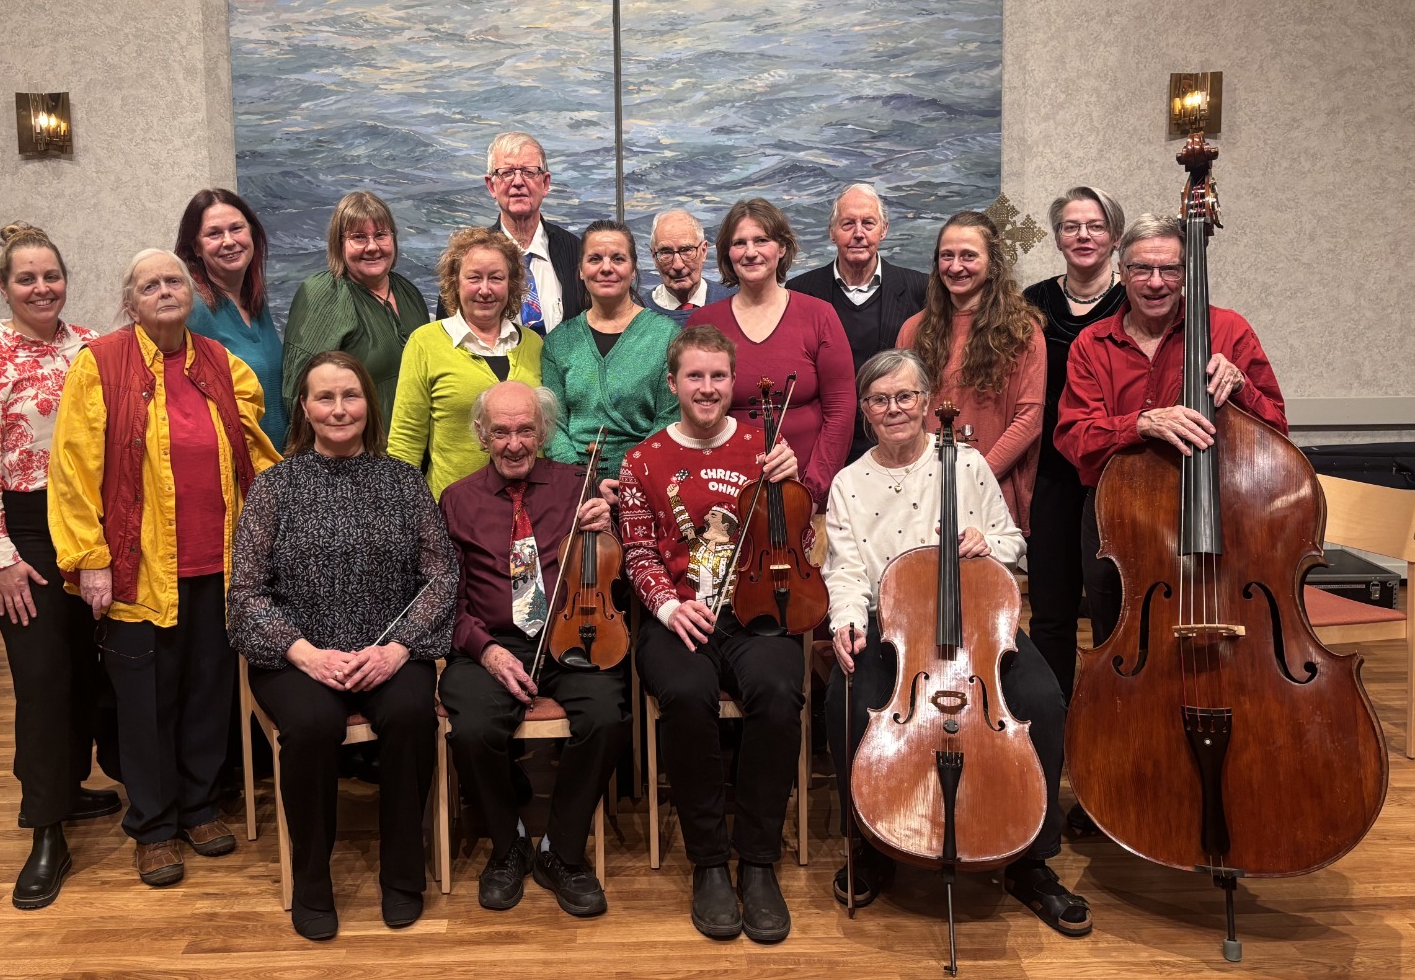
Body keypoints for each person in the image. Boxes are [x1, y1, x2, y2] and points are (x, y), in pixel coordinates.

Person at [822, 348, 1087, 936]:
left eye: (906, 397)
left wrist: (983, 544)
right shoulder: (849, 483)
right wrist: (846, 619)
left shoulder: (966, 465)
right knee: (841, 707)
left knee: (1043, 702)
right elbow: (843, 569)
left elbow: (1013, 542)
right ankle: (870, 844)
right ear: (866, 411)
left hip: (978, 625)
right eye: (880, 400)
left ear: (925, 404)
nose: (895, 409)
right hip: (890, 629)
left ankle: (1031, 860)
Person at [48, 249, 279, 888]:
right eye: (150, 285)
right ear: (131, 302)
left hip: (218, 563)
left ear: (190, 292)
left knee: (208, 690)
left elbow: (255, 454)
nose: (164, 291)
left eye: (173, 280)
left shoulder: (221, 363)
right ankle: (152, 827)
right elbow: (70, 471)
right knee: (145, 700)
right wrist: (89, 560)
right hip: (135, 568)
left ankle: (200, 807)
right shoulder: (100, 365)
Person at [229, 351, 457, 940]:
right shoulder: (274, 487)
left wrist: (399, 648)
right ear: (304, 408)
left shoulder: (404, 483)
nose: (338, 408)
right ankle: (312, 881)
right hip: (296, 658)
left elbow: (441, 577)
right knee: (309, 729)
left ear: (368, 405)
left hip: (389, 651)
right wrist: (305, 653)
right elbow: (246, 594)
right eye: (324, 397)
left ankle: (403, 876)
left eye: (350, 395)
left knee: (410, 715)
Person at [0, 223, 114, 910]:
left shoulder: (88, 347)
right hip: (20, 533)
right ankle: (45, 829)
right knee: (42, 680)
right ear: (4, 287)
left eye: (51, 275)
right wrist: (3, 560)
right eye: (27, 279)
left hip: (83, 524)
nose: (41, 288)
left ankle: (70, 788)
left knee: (82, 665)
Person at [619, 324, 804, 944]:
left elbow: (797, 544)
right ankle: (708, 864)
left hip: (753, 614)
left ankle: (757, 861)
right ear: (672, 383)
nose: (707, 388)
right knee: (687, 696)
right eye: (694, 376)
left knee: (779, 691)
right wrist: (670, 608)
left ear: (734, 383)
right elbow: (639, 553)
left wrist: (790, 485)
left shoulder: (764, 449)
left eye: (718, 376)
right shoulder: (643, 459)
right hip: (677, 621)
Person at [438, 382, 629, 918]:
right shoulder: (456, 500)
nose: (514, 443)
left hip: (571, 632)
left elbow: (605, 563)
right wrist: (486, 651)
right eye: (501, 431)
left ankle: (560, 851)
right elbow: (444, 600)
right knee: (472, 728)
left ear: (543, 432)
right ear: (482, 435)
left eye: (525, 430)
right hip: (492, 643)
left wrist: (605, 528)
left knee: (607, 717)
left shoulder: (577, 483)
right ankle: (508, 843)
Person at [1055, 212, 1287, 646]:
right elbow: (1075, 439)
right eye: (1142, 268)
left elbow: (1277, 431)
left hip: (1219, 514)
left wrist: (1242, 388)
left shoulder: (1228, 329)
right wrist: (1141, 423)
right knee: (1118, 640)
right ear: (1121, 273)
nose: (1156, 282)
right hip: (1119, 518)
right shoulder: (1092, 344)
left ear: (1188, 274)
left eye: (1170, 269)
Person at [1021, 187, 1128, 701]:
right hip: (1051, 473)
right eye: (1071, 226)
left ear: (1115, 236)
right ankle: (1052, 720)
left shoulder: (1140, 299)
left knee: (1118, 606)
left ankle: (1114, 716)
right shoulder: (1032, 304)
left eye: (1095, 225)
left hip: (1120, 473)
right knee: (1051, 610)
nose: (1083, 235)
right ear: (1058, 236)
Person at [687, 198, 855, 510]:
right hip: (727, 488)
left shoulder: (820, 316)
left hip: (807, 487)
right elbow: (692, 413)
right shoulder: (703, 323)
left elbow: (841, 409)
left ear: (781, 248)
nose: (750, 252)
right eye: (739, 243)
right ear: (727, 254)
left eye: (762, 240)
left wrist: (812, 491)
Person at [896, 211, 1045, 534]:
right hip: (925, 490)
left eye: (969, 256)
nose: (955, 266)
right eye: (946, 256)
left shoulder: (1022, 330)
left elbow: (1029, 420)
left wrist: (974, 476)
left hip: (993, 488)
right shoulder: (913, 330)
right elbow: (904, 413)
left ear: (992, 264)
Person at [387, 227, 543, 497]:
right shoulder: (425, 343)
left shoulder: (533, 345)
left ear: (511, 283)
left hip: (529, 510)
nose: (485, 289)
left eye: (496, 278)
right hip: (451, 516)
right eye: (474, 278)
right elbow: (406, 442)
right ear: (455, 282)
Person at [787, 184, 929, 464]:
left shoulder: (920, 289)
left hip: (897, 442)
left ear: (883, 230)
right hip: (823, 445)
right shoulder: (799, 292)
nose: (858, 234)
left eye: (868, 223)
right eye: (848, 224)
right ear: (832, 232)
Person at [541, 219, 679, 477]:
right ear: (581, 270)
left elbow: (669, 420)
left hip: (647, 480)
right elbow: (553, 428)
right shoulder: (558, 343)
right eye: (595, 259)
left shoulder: (666, 336)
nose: (606, 268)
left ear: (633, 269)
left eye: (618, 258)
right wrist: (583, 481)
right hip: (576, 489)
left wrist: (630, 477)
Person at [281, 190, 430, 424]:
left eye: (381, 235)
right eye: (359, 237)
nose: (372, 247)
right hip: (351, 454)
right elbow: (299, 396)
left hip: (411, 453)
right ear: (339, 243)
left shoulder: (409, 293)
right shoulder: (322, 295)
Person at [175, 187, 288, 450]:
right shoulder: (191, 309)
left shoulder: (256, 302)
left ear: (252, 233)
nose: (228, 241)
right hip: (232, 472)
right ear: (196, 247)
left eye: (237, 228)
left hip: (275, 465)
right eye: (214, 233)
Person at [484, 131, 582, 334]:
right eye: (507, 172)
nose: (518, 182)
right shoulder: (471, 258)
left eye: (528, 172)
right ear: (491, 186)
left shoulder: (577, 252)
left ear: (545, 183)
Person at [643, 208, 731, 323]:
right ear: (654, 257)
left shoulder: (733, 305)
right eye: (666, 252)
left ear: (703, 251)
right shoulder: (638, 313)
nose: (678, 265)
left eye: (686, 250)